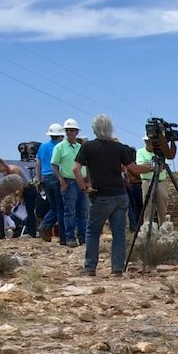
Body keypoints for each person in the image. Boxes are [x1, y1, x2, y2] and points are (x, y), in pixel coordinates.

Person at [73, 113, 149, 276]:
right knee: (119, 233)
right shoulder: (119, 147)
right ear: (111, 129)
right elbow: (134, 169)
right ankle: (117, 269)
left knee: (93, 232)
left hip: (99, 195)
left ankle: (90, 268)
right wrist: (152, 167)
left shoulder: (87, 147)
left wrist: (84, 187)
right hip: (120, 195)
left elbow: (75, 169)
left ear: (94, 129)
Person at [53, 119, 86, 246]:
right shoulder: (59, 147)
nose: (69, 132)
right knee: (70, 211)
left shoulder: (81, 148)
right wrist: (61, 180)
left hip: (81, 181)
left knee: (82, 211)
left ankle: (82, 237)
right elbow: (54, 165)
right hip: (69, 181)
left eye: (71, 130)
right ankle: (70, 237)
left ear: (77, 132)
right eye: (67, 130)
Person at [38, 123, 65, 241]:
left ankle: (44, 226)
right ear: (59, 136)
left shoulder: (42, 147)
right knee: (60, 207)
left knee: (53, 207)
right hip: (56, 177)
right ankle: (63, 236)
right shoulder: (60, 147)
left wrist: (39, 180)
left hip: (45, 178)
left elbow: (38, 164)